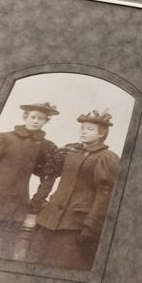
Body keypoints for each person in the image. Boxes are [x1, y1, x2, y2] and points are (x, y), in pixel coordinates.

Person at [30, 109, 120, 271]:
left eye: (90, 129)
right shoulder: (71, 151)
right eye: (82, 128)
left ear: (101, 133)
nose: (83, 132)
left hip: (75, 225)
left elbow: (104, 195)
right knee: (33, 263)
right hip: (49, 220)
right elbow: (48, 173)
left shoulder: (106, 157)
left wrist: (92, 225)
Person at [0, 102, 61, 259]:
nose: (36, 121)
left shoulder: (45, 146)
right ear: (25, 117)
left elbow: (48, 178)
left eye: (41, 119)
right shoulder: (4, 138)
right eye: (33, 117)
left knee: (5, 248)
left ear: (46, 121)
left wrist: (36, 203)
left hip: (17, 204)